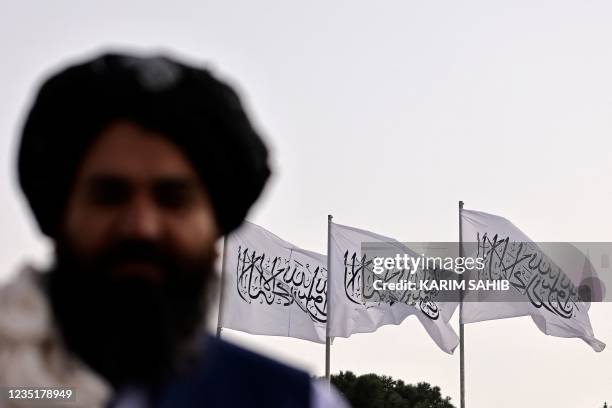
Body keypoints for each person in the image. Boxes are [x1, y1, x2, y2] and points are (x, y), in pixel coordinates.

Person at [0, 51, 348, 408]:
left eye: (173, 199)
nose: (141, 227)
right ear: (60, 220)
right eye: (109, 196)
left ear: (216, 231)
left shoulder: (295, 401)